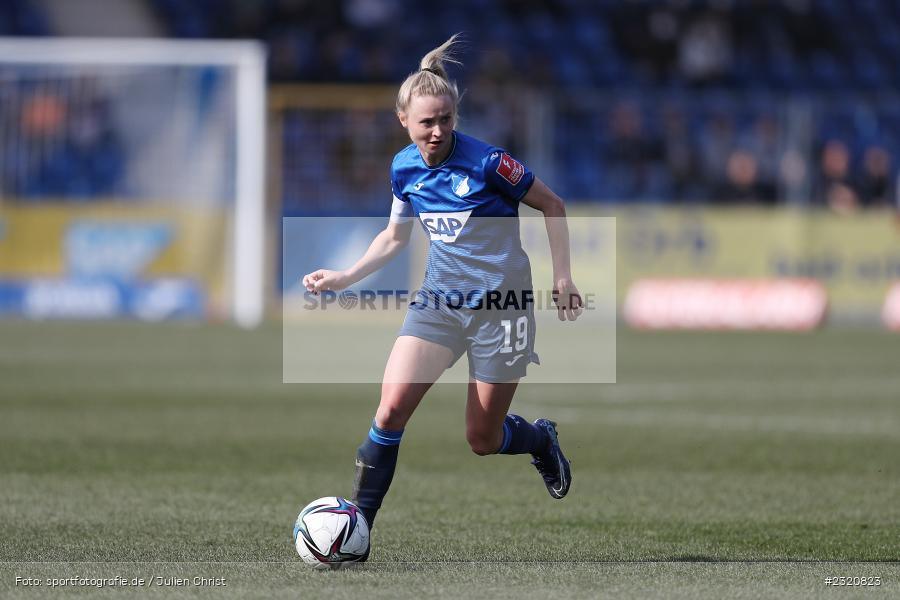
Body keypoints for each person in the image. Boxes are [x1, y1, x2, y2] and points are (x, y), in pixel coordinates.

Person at [301, 34, 582, 549]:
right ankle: (356, 530)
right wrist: (344, 277)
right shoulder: (403, 167)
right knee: (389, 412)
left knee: (482, 438)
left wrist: (562, 277)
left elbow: (554, 205)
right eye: (426, 122)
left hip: (503, 308)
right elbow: (393, 238)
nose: (436, 131)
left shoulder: (490, 163)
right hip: (439, 304)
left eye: (445, 119)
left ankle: (540, 438)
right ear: (403, 120)